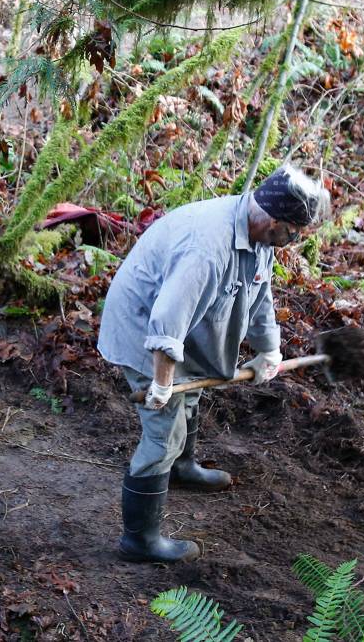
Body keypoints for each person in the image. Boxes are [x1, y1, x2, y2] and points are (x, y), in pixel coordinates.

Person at [97, 165, 332, 563]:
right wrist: (161, 382)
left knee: (191, 399)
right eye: (295, 232)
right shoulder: (208, 247)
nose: (295, 241)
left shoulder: (260, 238)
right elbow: (167, 322)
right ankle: (140, 540)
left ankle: (181, 467)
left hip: (181, 328)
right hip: (143, 330)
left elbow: (260, 297)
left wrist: (268, 351)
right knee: (164, 431)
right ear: (274, 220)